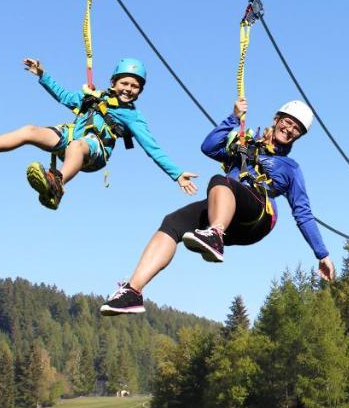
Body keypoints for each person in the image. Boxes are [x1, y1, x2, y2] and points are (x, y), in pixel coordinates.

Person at [100, 97, 335, 315]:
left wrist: (322, 254)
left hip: (258, 216)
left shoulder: (290, 167)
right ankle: (133, 291)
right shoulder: (244, 142)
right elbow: (209, 147)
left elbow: (302, 213)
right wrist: (233, 118)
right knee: (173, 223)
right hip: (225, 210)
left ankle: (214, 235)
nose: (290, 130)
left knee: (221, 181)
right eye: (288, 122)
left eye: (297, 129)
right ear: (277, 119)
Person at [0, 57, 198, 209]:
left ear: (139, 91)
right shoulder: (94, 98)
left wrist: (176, 174)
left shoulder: (132, 116)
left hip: (92, 152)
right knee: (30, 130)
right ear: (113, 83)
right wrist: (42, 75)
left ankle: (57, 183)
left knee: (78, 146)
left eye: (135, 86)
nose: (129, 89)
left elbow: (152, 147)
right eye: (125, 83)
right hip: (70, 136)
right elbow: (64, 96)